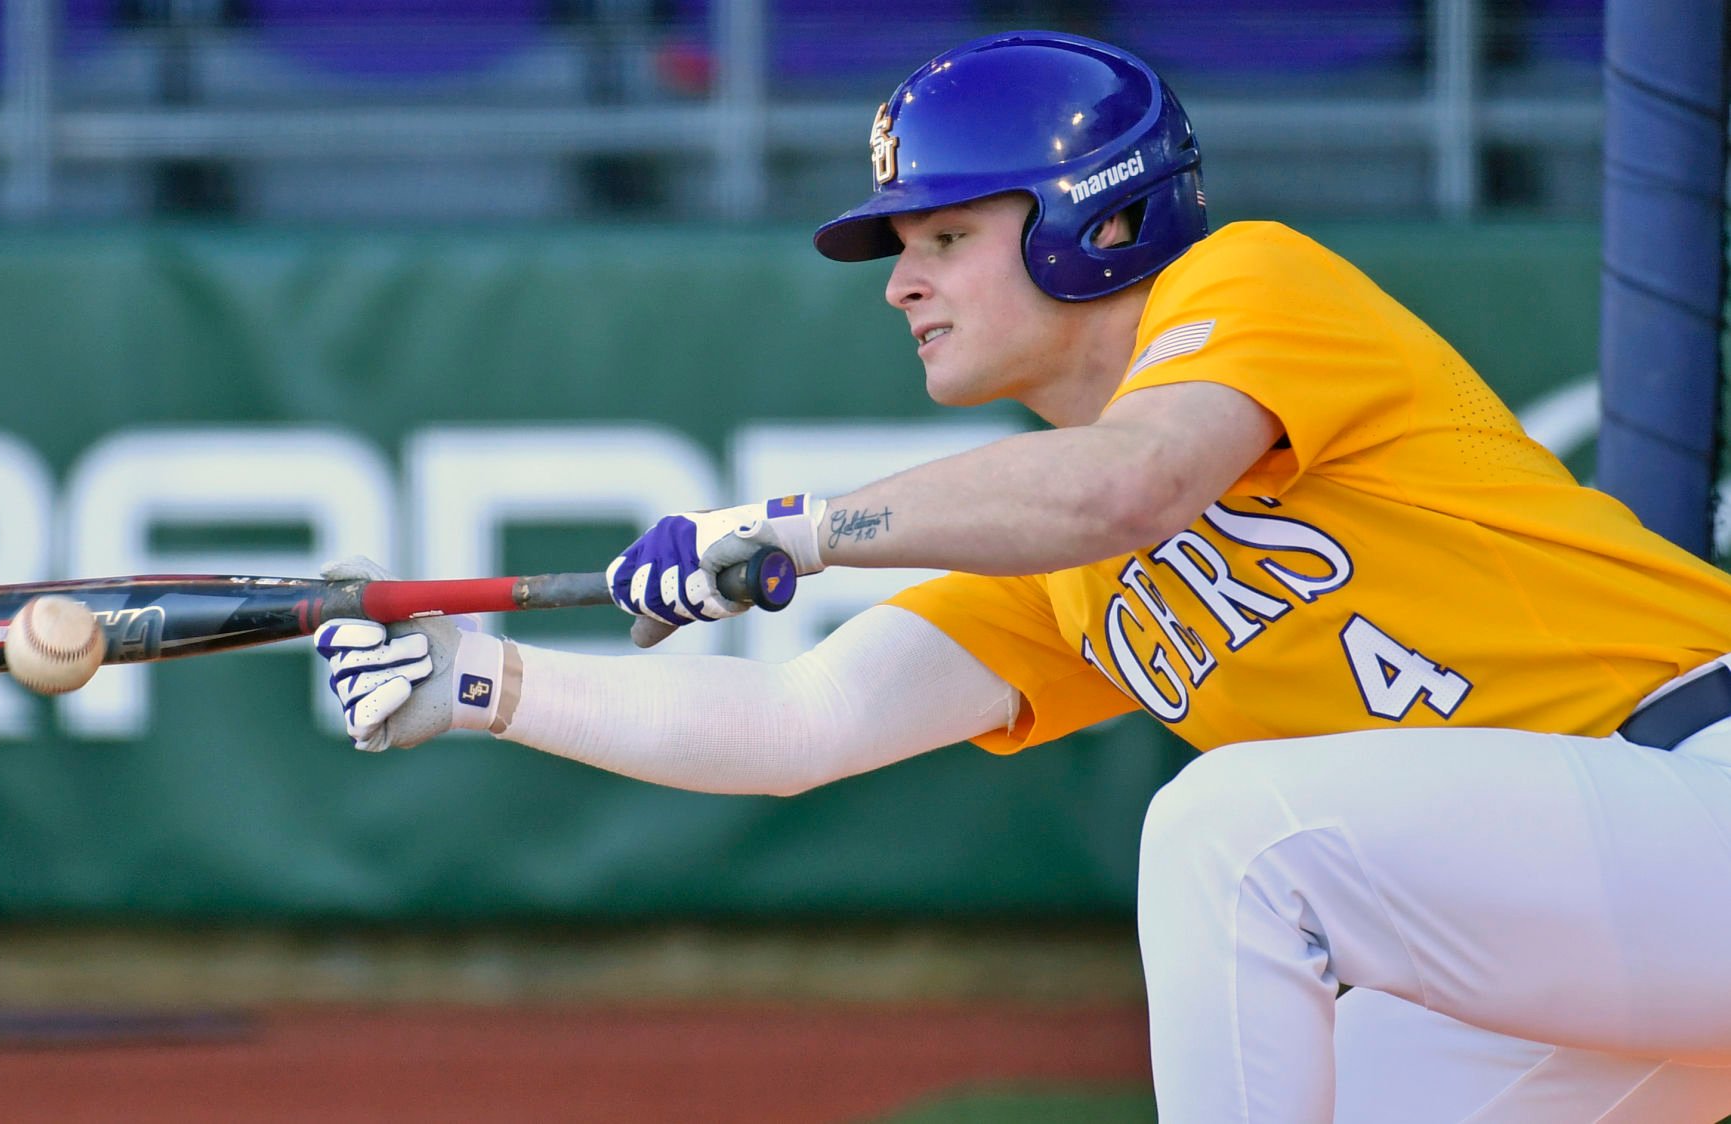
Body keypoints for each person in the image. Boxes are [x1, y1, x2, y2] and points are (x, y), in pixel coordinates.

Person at [314, 30, 1731, 1123]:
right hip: (1591, 918)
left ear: (1094, 221)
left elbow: (1127, 483)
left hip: (1695, 788)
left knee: (1228, 831)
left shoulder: (1250, 285)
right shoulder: (1059, 559)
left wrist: (802, 525)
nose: (900, 283)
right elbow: (795, 728)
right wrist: (480, 682)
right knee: (1359, 1070)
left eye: (943, 238)